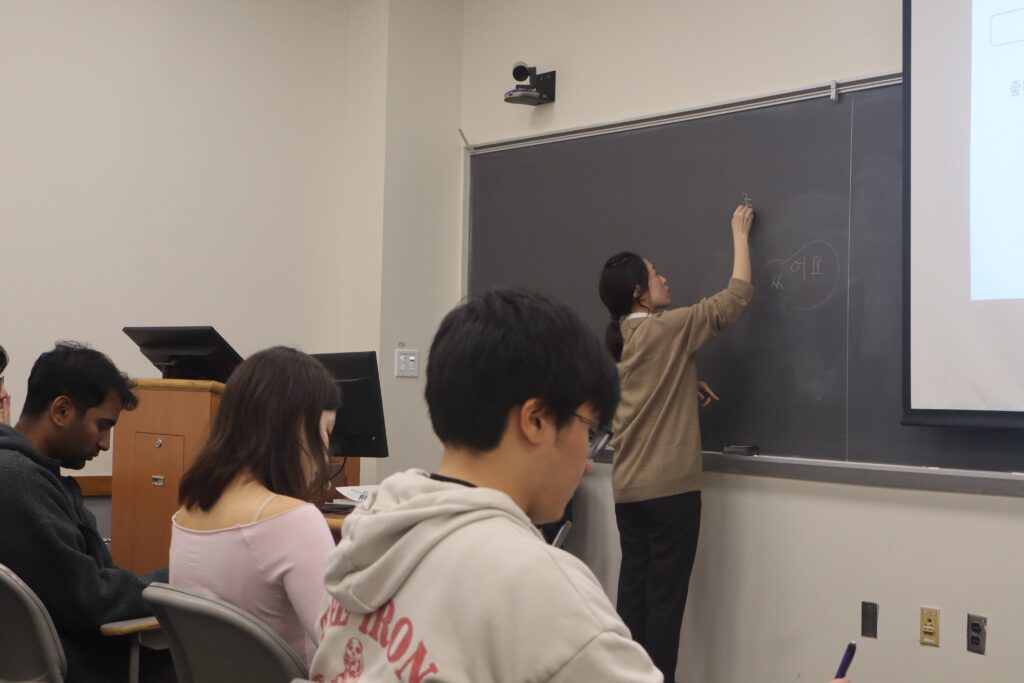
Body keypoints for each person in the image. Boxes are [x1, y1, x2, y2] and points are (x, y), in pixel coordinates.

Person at [310, 289, 665, 682]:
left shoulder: (367, 536)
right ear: (536, 420)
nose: (587, 463)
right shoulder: (538, 583)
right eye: (590, 432)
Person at [598, 204, 755, 681]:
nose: (665, 278)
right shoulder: (668, 329)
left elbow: (644, 391)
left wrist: (687, 383)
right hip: (671, 495)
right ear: (640, 293)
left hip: (628, 492)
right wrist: (739, 232)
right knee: (665, 613)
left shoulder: (622, 338)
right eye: (655, 274)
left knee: (634, 605)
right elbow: (736, 298)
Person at [0, 342, 166, 682]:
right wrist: (175, 583)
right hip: (80, 668)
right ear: (61, 411)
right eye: (102, 426)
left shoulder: (33, 476)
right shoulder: (18, 480)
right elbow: (91, 597)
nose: (105, 443)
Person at [170, 346, 340, 664]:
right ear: (295, 426)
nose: (327, 452)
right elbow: (347, 649)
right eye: (326, 432)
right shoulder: (295, 521)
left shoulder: (187, 511)